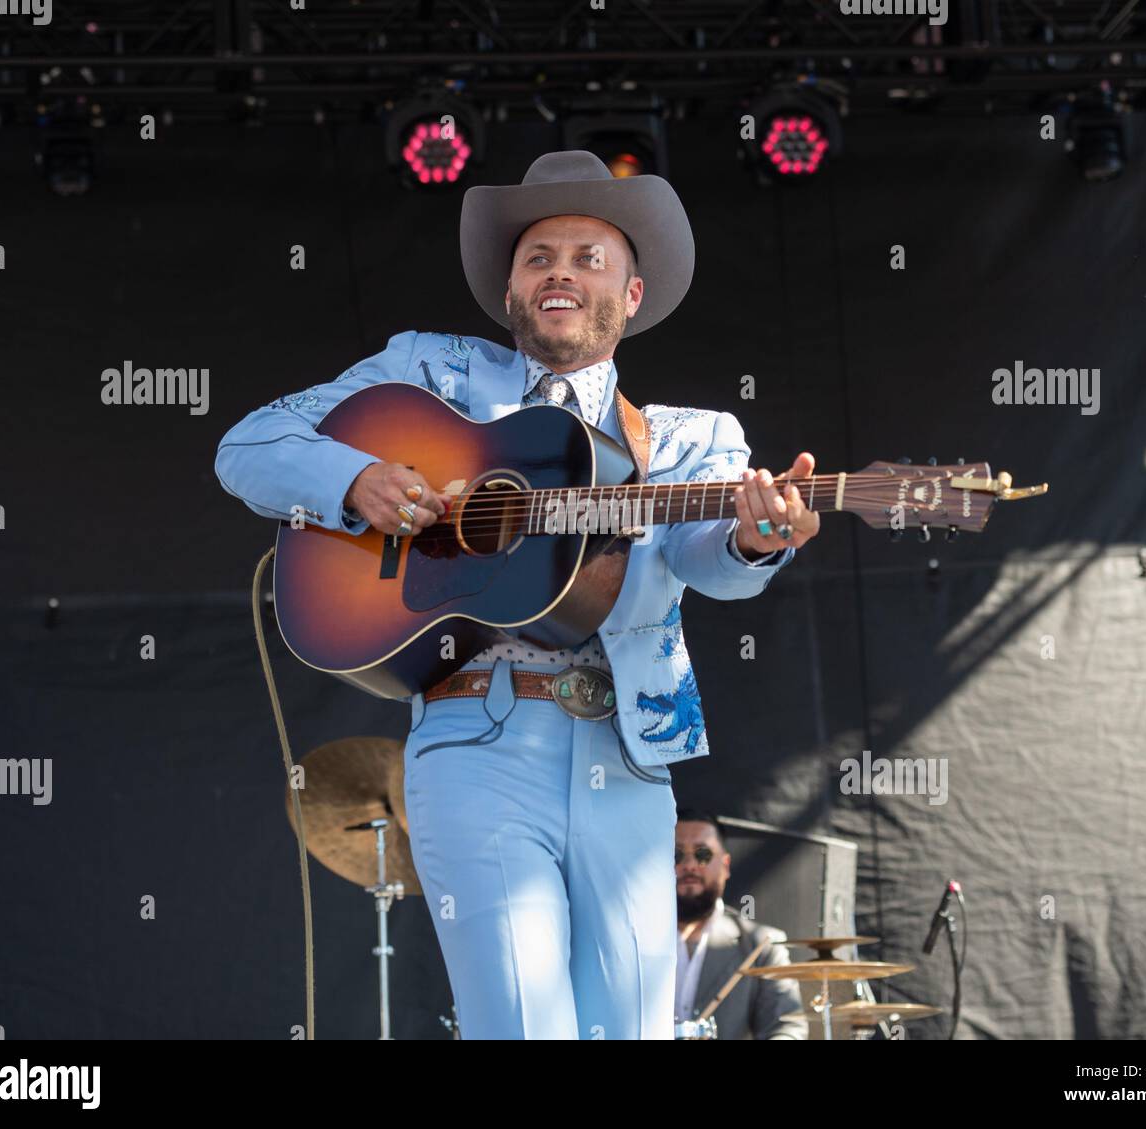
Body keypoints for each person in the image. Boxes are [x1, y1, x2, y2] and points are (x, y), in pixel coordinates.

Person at [215, 149, 821, 1039]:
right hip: (475, 736)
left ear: (633, 296)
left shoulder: (695, 438)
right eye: (538, 258)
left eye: (588, 257)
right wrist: (355, 480)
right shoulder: (431, 374)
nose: (560, 274)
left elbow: (708, 557)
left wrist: (756, 535)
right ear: (511, 293)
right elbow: (249, 444)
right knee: (521, 1024)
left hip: (630, 751)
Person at [674, 809, 807, 1040]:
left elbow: (787, 1028)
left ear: (725, 865)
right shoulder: (628, 940)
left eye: (702, 854)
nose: (689, 865)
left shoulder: (762, 945)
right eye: (676, 855)